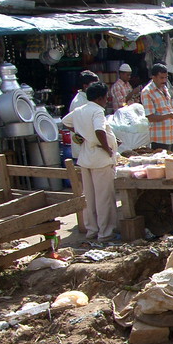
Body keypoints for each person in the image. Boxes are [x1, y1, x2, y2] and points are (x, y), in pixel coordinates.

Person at [62, 82, 117, 242]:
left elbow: (66, 121)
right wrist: (107, 148)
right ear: (100, 98)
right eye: (106, 97)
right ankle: (105, 233)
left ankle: (92, 230)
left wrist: (82, 134)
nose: (107, 100)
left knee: (90, 197)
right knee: (104, 198)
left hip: (86, 158)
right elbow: (99, 130)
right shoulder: (97, 111)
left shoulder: (80, 110)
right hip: (100, 158)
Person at [141, 63, 173, 150]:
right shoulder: (147, 92)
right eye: (161, 78)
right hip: (160, 139)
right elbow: (151, 117)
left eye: (166, 77)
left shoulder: (165, 88)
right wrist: (169, 115)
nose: (164, 80)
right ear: (153, 77)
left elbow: (168, 108)